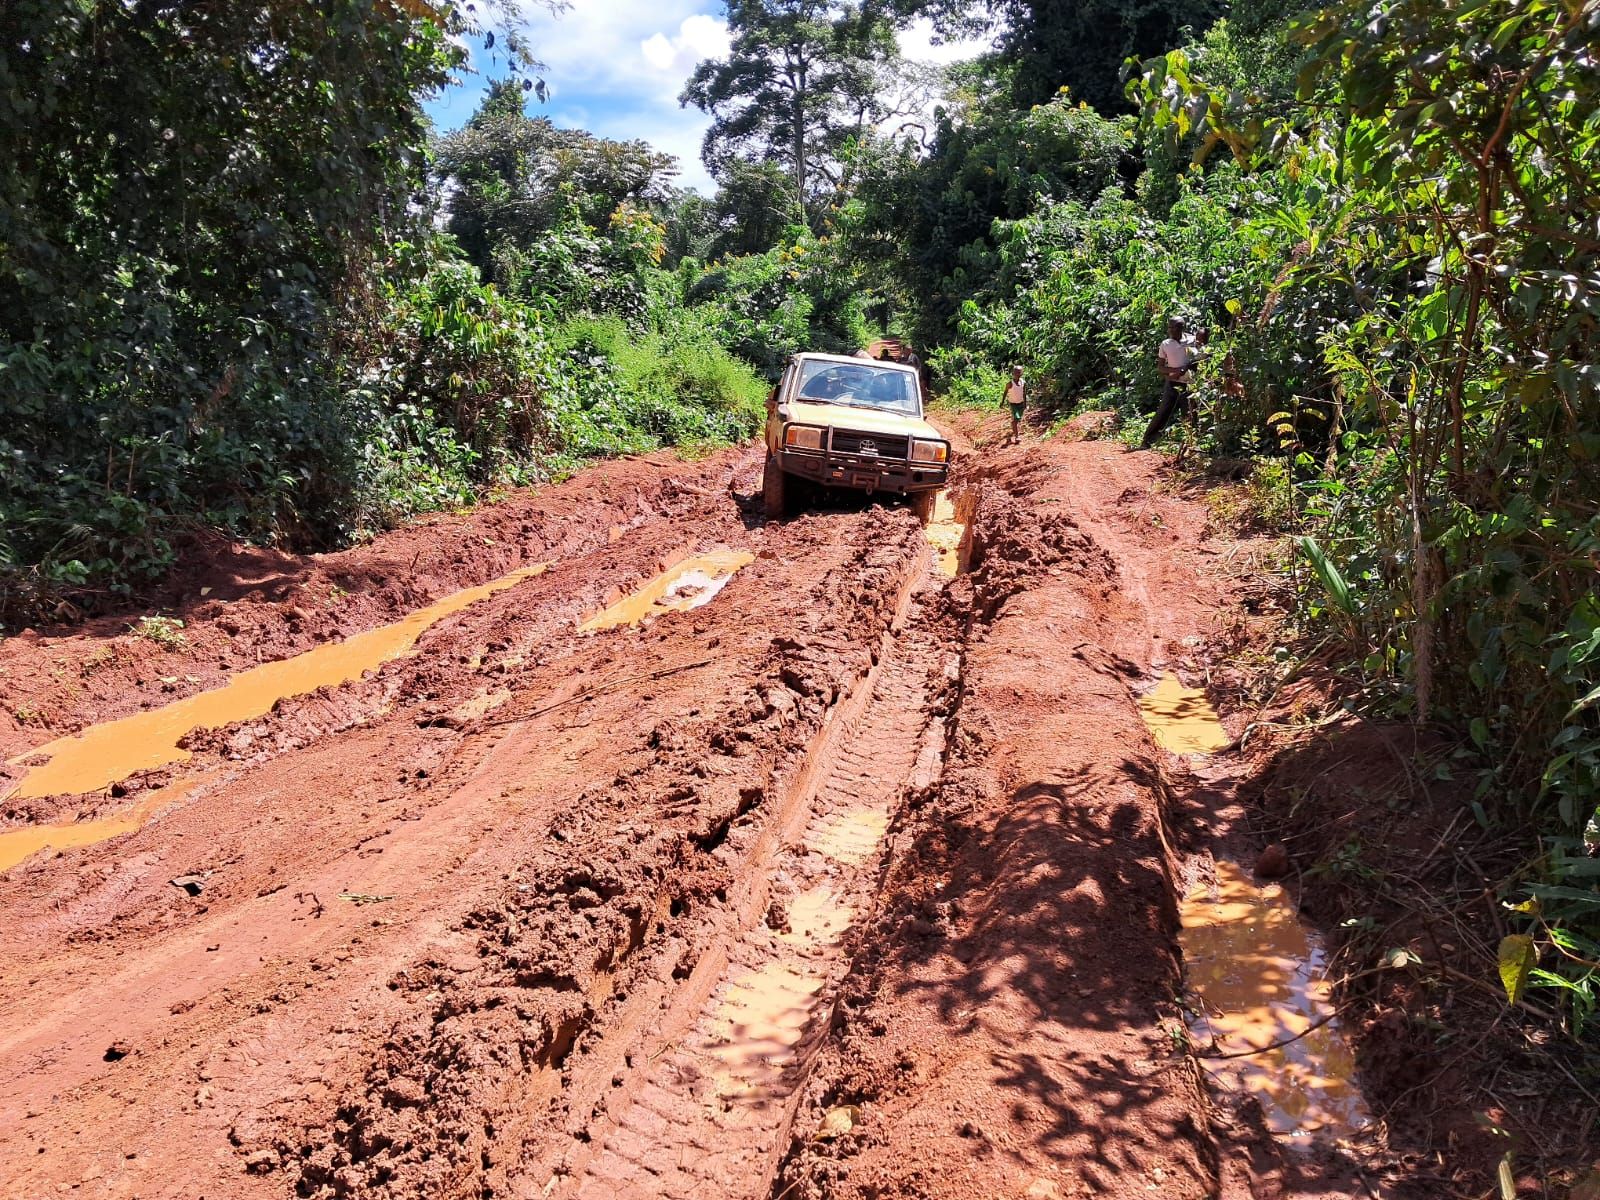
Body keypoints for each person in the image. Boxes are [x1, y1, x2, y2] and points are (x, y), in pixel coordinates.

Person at [1141, 318, 1206, 449]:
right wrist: (1177, 370)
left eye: (1173, 328)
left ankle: (1193, 445)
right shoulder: (1165, 344)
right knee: (1163, 412)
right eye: (1169, 327)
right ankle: (1147, 440)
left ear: (1181, 328)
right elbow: (1160, 367)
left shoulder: (1192, 340)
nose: (1170, 330)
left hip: (1190, 384)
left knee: (1190, 414)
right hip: (1172, 383)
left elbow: (1202, 356)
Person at [1002, 365, 1026, 445]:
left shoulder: (1023, 382)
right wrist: (1002, 402)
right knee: (1016, 419)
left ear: (1022, 373)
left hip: (1021, 404)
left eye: (1019, 372)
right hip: (1013, 404)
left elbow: (1024, 393)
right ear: (1013, 373)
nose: (1017, 374)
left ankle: (1013, 425)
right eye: (1016, 372)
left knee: (1018, 419)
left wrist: (1025, 403)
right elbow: (1005, 392)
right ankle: (1017, 437)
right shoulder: (1010, 384)